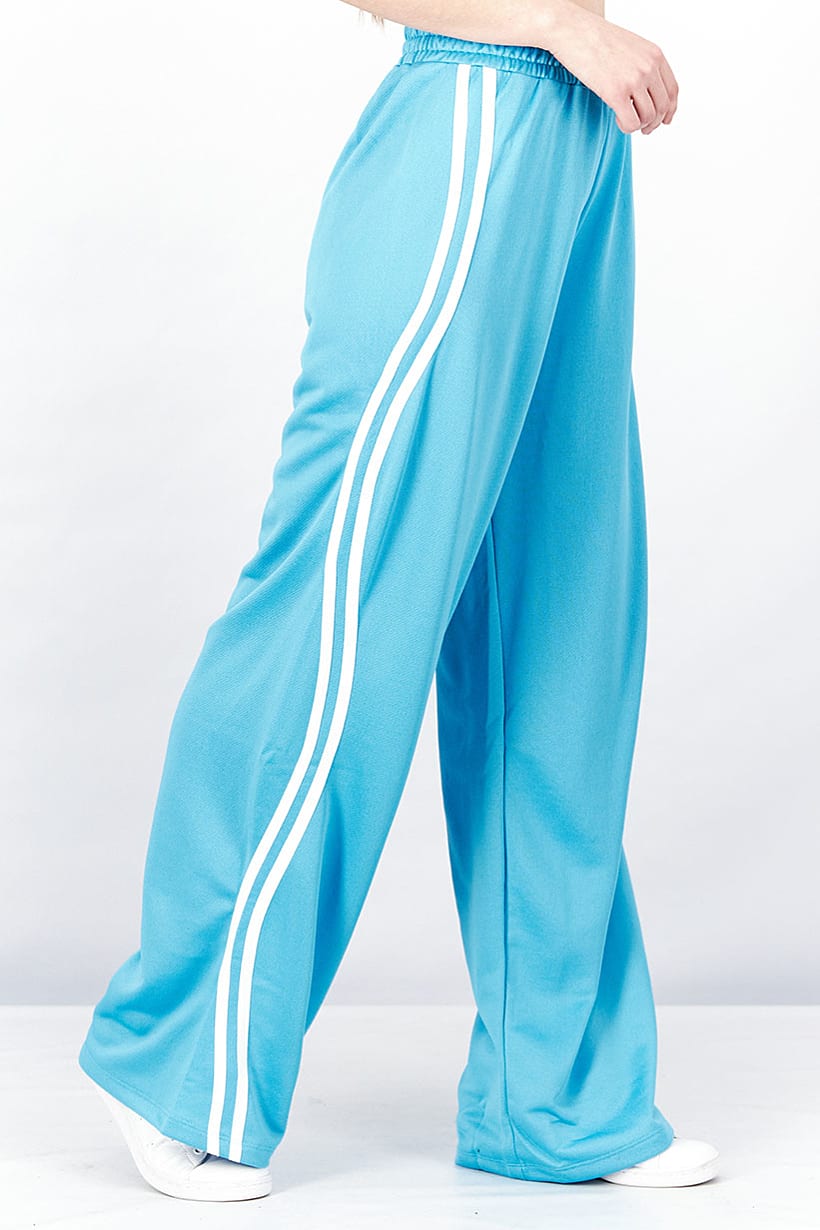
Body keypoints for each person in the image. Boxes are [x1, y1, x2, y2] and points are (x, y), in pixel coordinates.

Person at [77, 0, 720, 1202]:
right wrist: (559, 26)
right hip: (473, 108)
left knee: (559, 637)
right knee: (339, 616)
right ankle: (178, 1059)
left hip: (578, 145)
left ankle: (554, 1098)